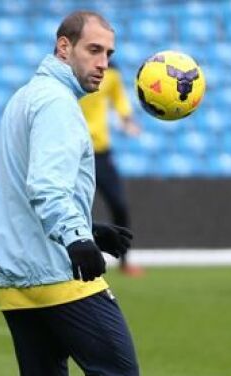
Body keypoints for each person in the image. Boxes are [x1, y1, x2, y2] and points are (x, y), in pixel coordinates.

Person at [0, 10, 140, 376]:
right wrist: (78, 239)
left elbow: (27, 187)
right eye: (94, 50)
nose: (104, 63)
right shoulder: (56, 103)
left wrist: (90, 228)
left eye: (109, 54)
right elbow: (47, 187)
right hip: (56, 272)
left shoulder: (26, 98)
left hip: (15, 279)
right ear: (63, 48)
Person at [79, 60, 144, 276]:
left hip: (100, 152)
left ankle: (124, 260)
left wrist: (127, 120)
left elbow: (119, 99)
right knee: (74, 208)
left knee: (119, 205)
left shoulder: (112, 74)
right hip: (74, 152)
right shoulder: (71, 73)